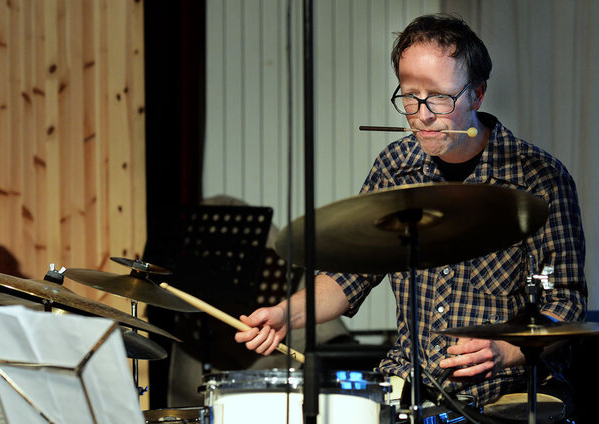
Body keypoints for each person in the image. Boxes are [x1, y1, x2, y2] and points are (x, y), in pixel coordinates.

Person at [234, 13, 587, 414]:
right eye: (409, 96)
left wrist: (504, 351)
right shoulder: (395, 166)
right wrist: (286, 313)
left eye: (439, 97)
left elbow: (565, 303)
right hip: (410, 385)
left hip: (505, 391)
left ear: (477, 95)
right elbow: (350, 276)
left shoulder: (538, 176)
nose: (422, 115)